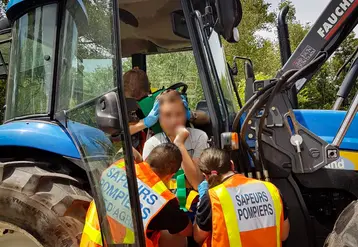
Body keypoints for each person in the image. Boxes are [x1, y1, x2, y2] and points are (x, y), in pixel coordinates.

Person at [80, 143, 192, 247]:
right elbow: (187, 230)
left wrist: (140, 161)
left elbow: (130, 150)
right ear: (170, 175)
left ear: (147, 157)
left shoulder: (119, 165)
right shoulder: (163, 202)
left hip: (90, 242)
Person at [194, 148, 290, 247]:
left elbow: (198, 236)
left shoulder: (213, 197)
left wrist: (202, 201)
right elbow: (283, 235)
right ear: (232, 165)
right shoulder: (271, 190)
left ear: (205, 176)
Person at [143, 90, 208, 191]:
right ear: (158, 118)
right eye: (167, 115)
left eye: (179, 114)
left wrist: (179, 144)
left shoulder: (199, 137)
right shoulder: (152, 144)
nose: (174, 121)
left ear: (186, 115)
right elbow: (150, 188)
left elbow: (197, 184)